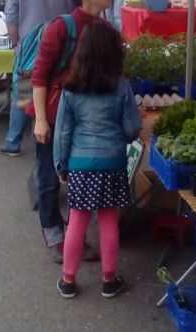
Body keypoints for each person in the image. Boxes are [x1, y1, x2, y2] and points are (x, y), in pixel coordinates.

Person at [30, 0, 113, 261]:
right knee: (49, 177)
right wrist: (40, 119)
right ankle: (55, 235)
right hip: (53, 115)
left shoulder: (106, 30)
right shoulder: (62, 27)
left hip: (87, 119)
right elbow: (39, 75)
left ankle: (74, 233)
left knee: (79, 175)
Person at [54, 20, 141, 299]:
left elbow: (62, 133)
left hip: (80, 164)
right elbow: (132, 128)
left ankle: (68, 280)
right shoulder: (121, 86)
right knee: (108, 221)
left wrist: (61, 164)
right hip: (112, 162)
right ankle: (109, 280)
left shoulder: (70, 89)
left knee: (77, 220)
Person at [0, 0, 74, 157]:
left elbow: (11, 18)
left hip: (29, 46)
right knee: (57, 90)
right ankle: (55, 136)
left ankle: (13, 141)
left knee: (23, 90)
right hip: (62, 46)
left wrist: (16, 44)